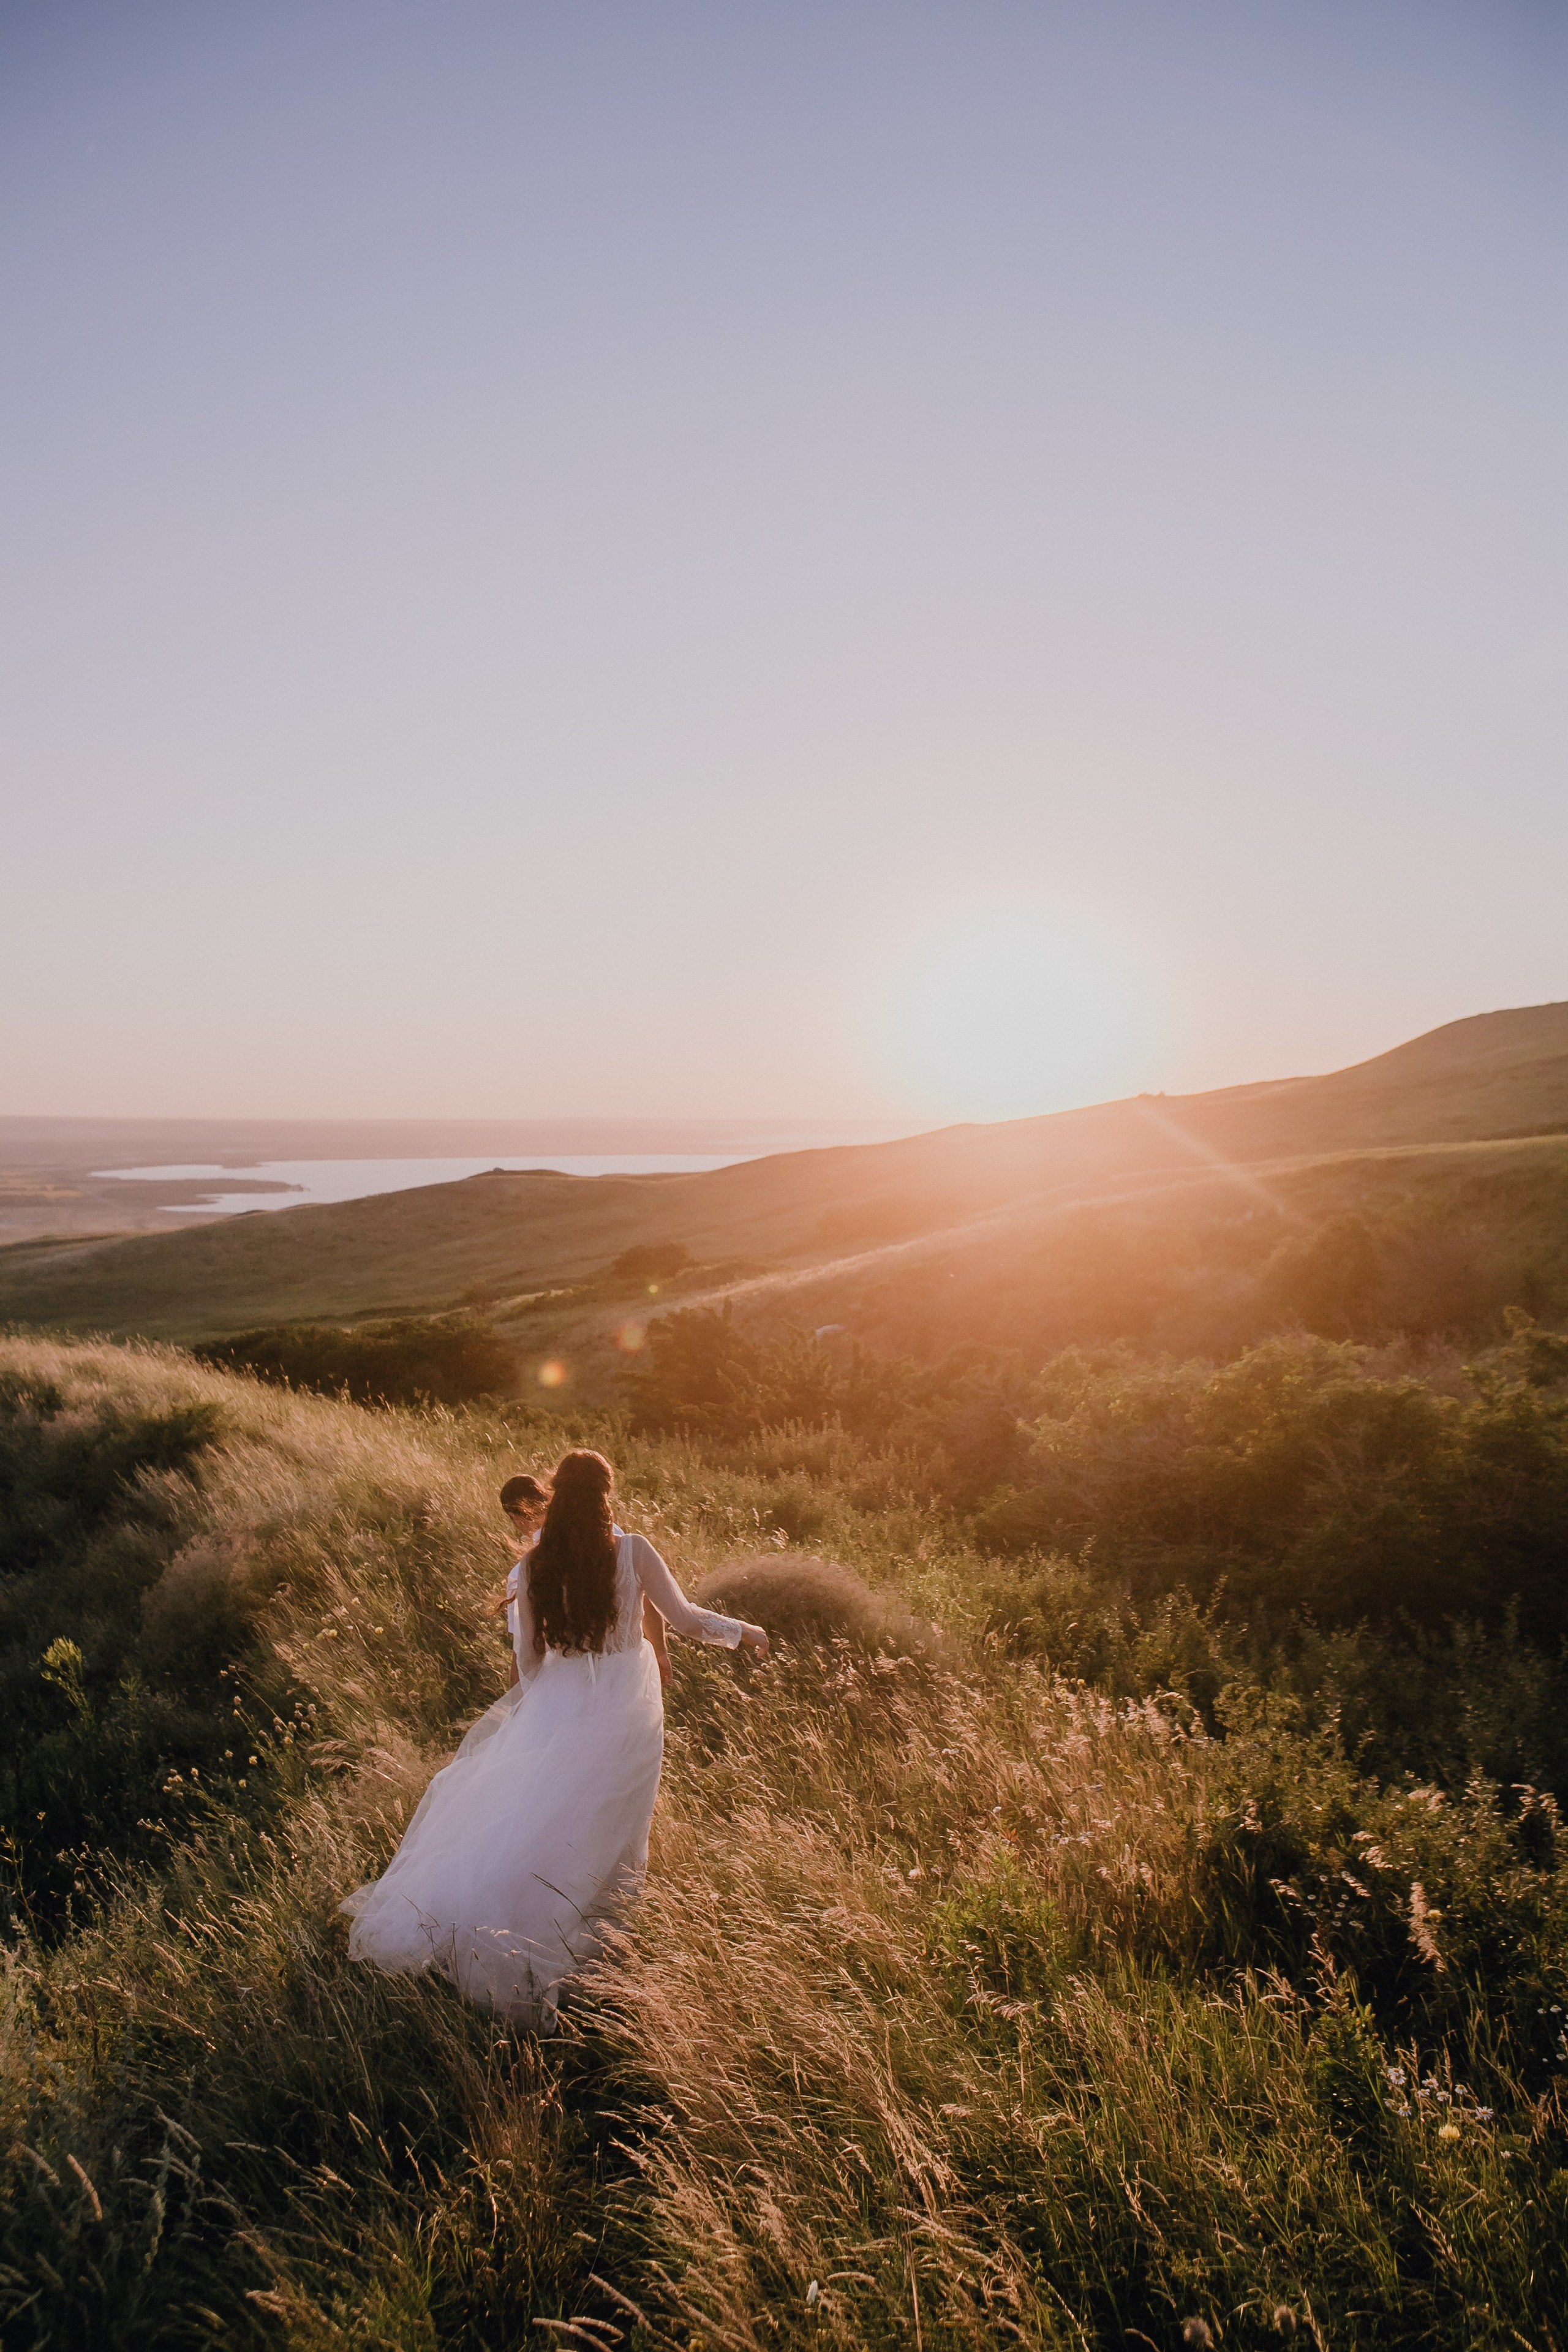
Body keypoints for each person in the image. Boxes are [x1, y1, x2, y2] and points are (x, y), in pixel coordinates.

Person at [341, 1448, 767, 2026]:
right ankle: (590, 1944)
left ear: (556, 1494)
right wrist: (746, 1631)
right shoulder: (634, 1550)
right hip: (625, 1703)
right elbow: (686, 1619)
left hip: (561, 1698)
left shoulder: (534, 1566)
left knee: (549, 1815)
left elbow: (528, 1659)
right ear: (606, 1496)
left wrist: (544, 1706)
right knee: (614, 1820)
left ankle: (524, 1927)